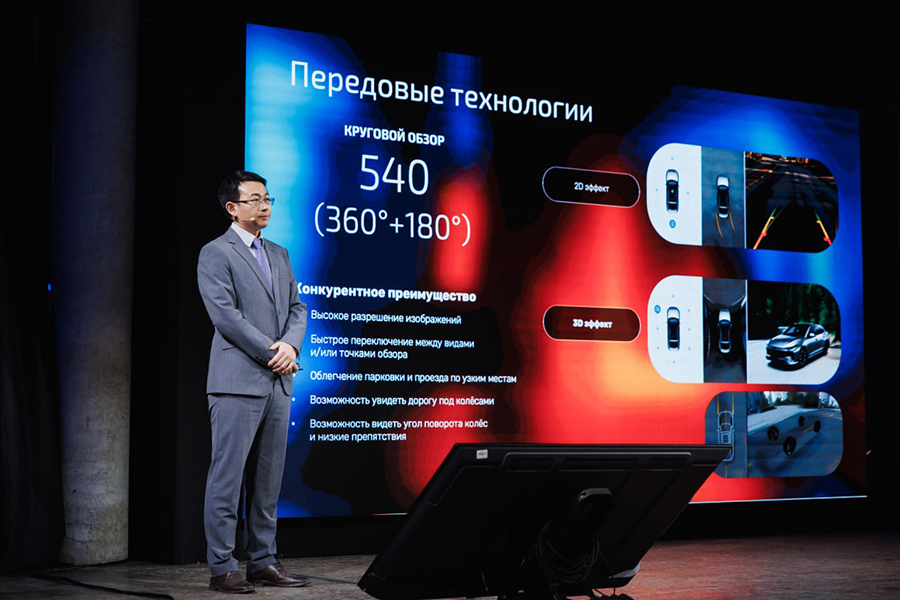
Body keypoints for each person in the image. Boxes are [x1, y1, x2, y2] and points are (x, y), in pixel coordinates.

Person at [197, 170, 309, 593]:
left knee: (268, 481)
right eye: (255, 199)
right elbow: (225, 316)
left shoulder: (279, 253)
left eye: (268, 199)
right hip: (237, 380)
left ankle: (262, 560)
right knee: (227, 479)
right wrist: (273, 352)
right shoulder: (215, 252)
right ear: (232, 208)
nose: (264, 206)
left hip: (278, 381)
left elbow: (297, 308)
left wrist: (291, 347)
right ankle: (222, 566)